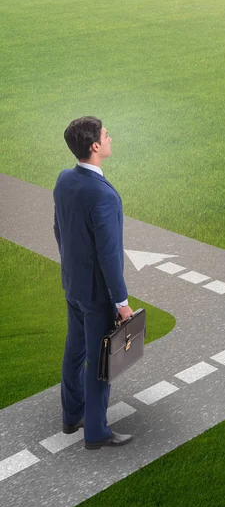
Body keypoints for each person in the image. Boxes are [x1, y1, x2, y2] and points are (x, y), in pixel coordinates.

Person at [54, 116, 135, 449]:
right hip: (97, 295)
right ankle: (97, 432)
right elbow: (109, 255)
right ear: (95, 147)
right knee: (102, 361)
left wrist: (72, 268)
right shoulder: (103, 196)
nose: (110, 136)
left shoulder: (64, 181)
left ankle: (72, 415)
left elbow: (59, 230)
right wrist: (122, 302)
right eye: (105, 134)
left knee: (75, 350)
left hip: (72, 285)